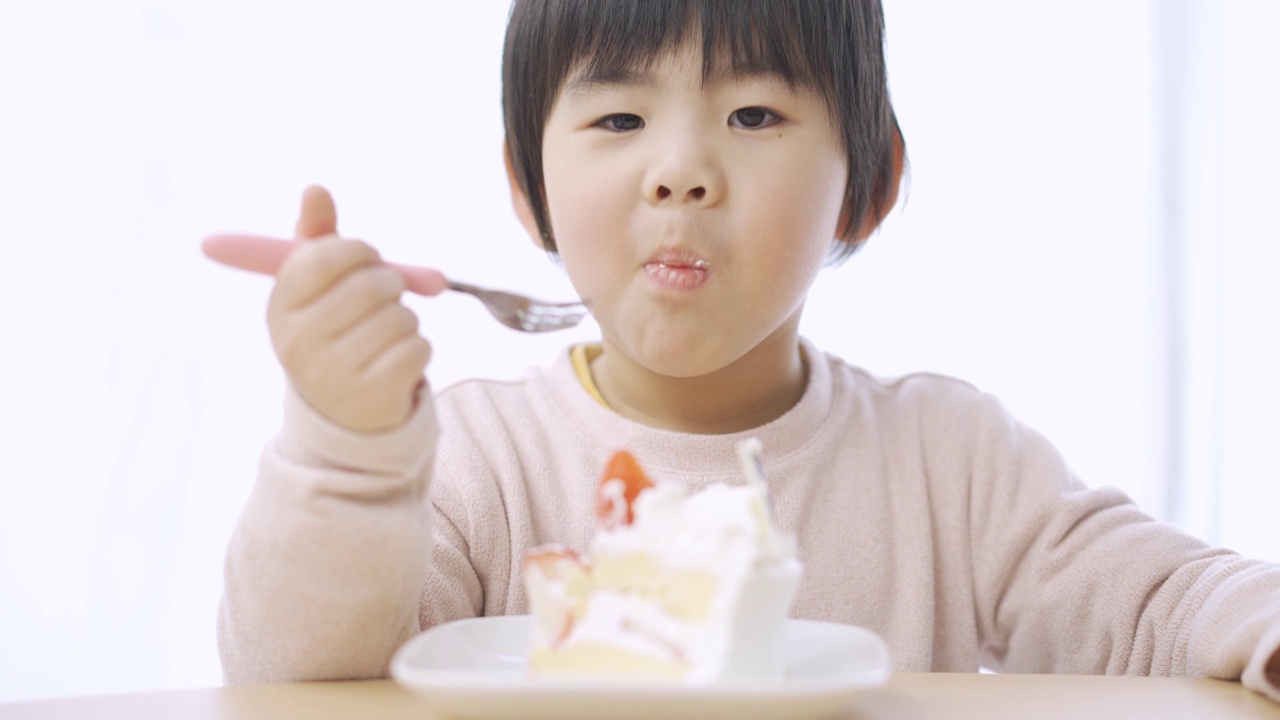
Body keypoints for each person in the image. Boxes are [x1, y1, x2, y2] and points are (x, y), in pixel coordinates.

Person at [216, 0, 1280, 701]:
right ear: (526, 184)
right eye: (620, 119)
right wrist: (349, 451)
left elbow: (1159, 610)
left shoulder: (950, 465)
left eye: (755, 113)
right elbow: (305, 685)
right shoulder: (472, 462)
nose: (679, 172)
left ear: (868, 183)